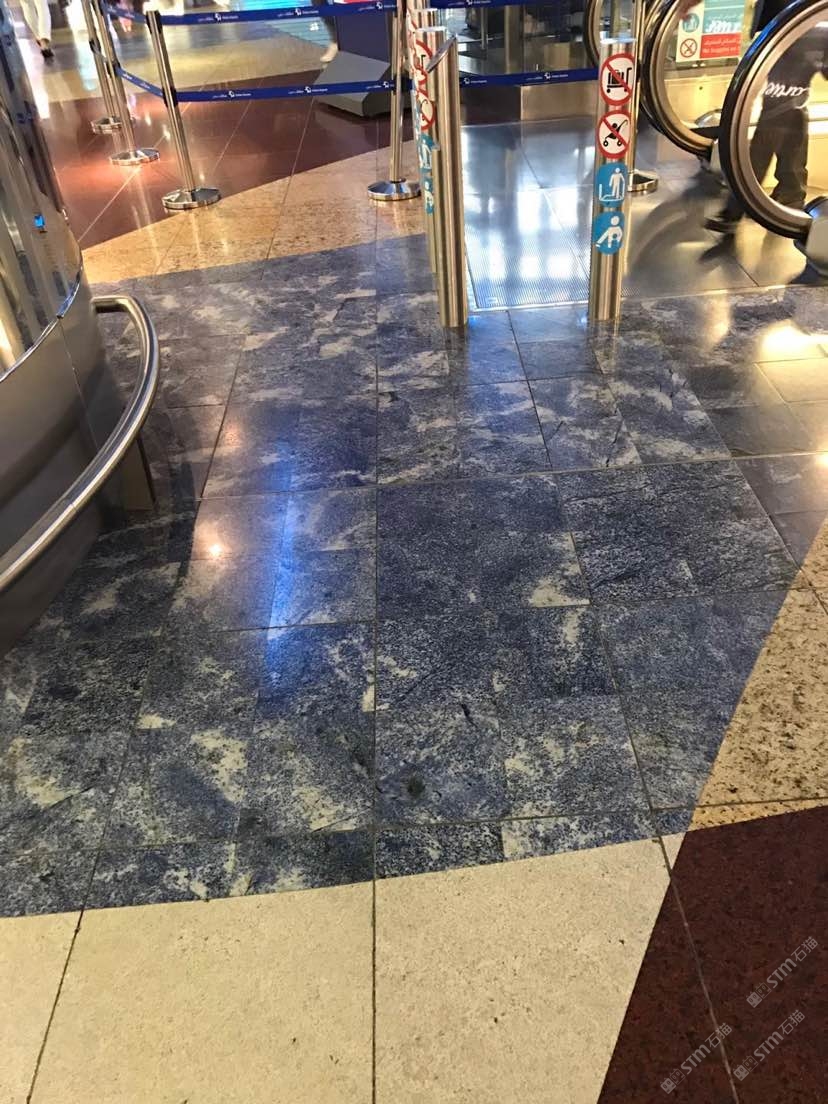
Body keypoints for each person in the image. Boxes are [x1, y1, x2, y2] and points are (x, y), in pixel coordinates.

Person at [678, 0, 825, 233]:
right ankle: (789, 191)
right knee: (787, 106)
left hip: (802, 23)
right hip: (794, 22)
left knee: (778, 109)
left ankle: (744, 202)